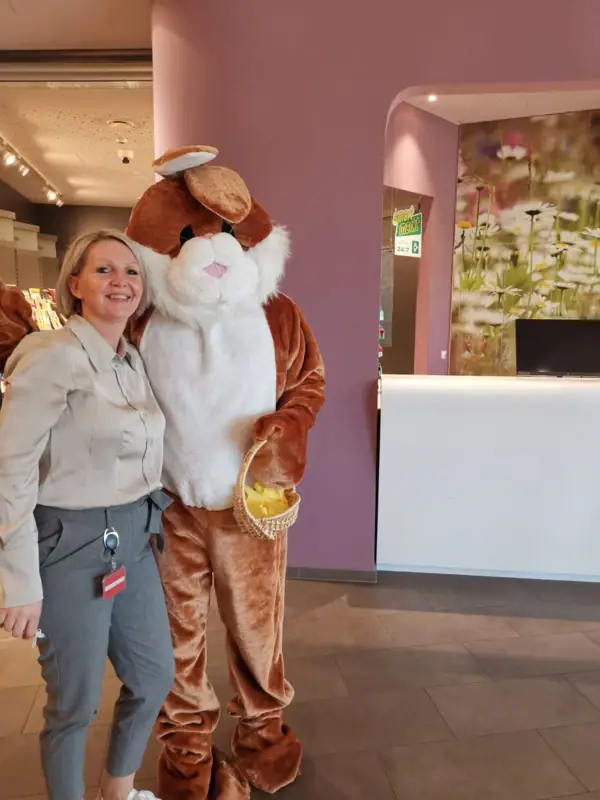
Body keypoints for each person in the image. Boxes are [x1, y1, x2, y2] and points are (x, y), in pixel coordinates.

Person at [0, 230, 175, 800]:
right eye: (104, 271)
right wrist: (19, 581)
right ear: (74, 284)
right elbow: (11, 470)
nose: (121, 282)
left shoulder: (132, 358)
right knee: (73, 702)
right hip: (68, 544)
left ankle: (117, 792)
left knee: (152, 678)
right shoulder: (50, 357)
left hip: (133, 536)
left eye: (131, 272)